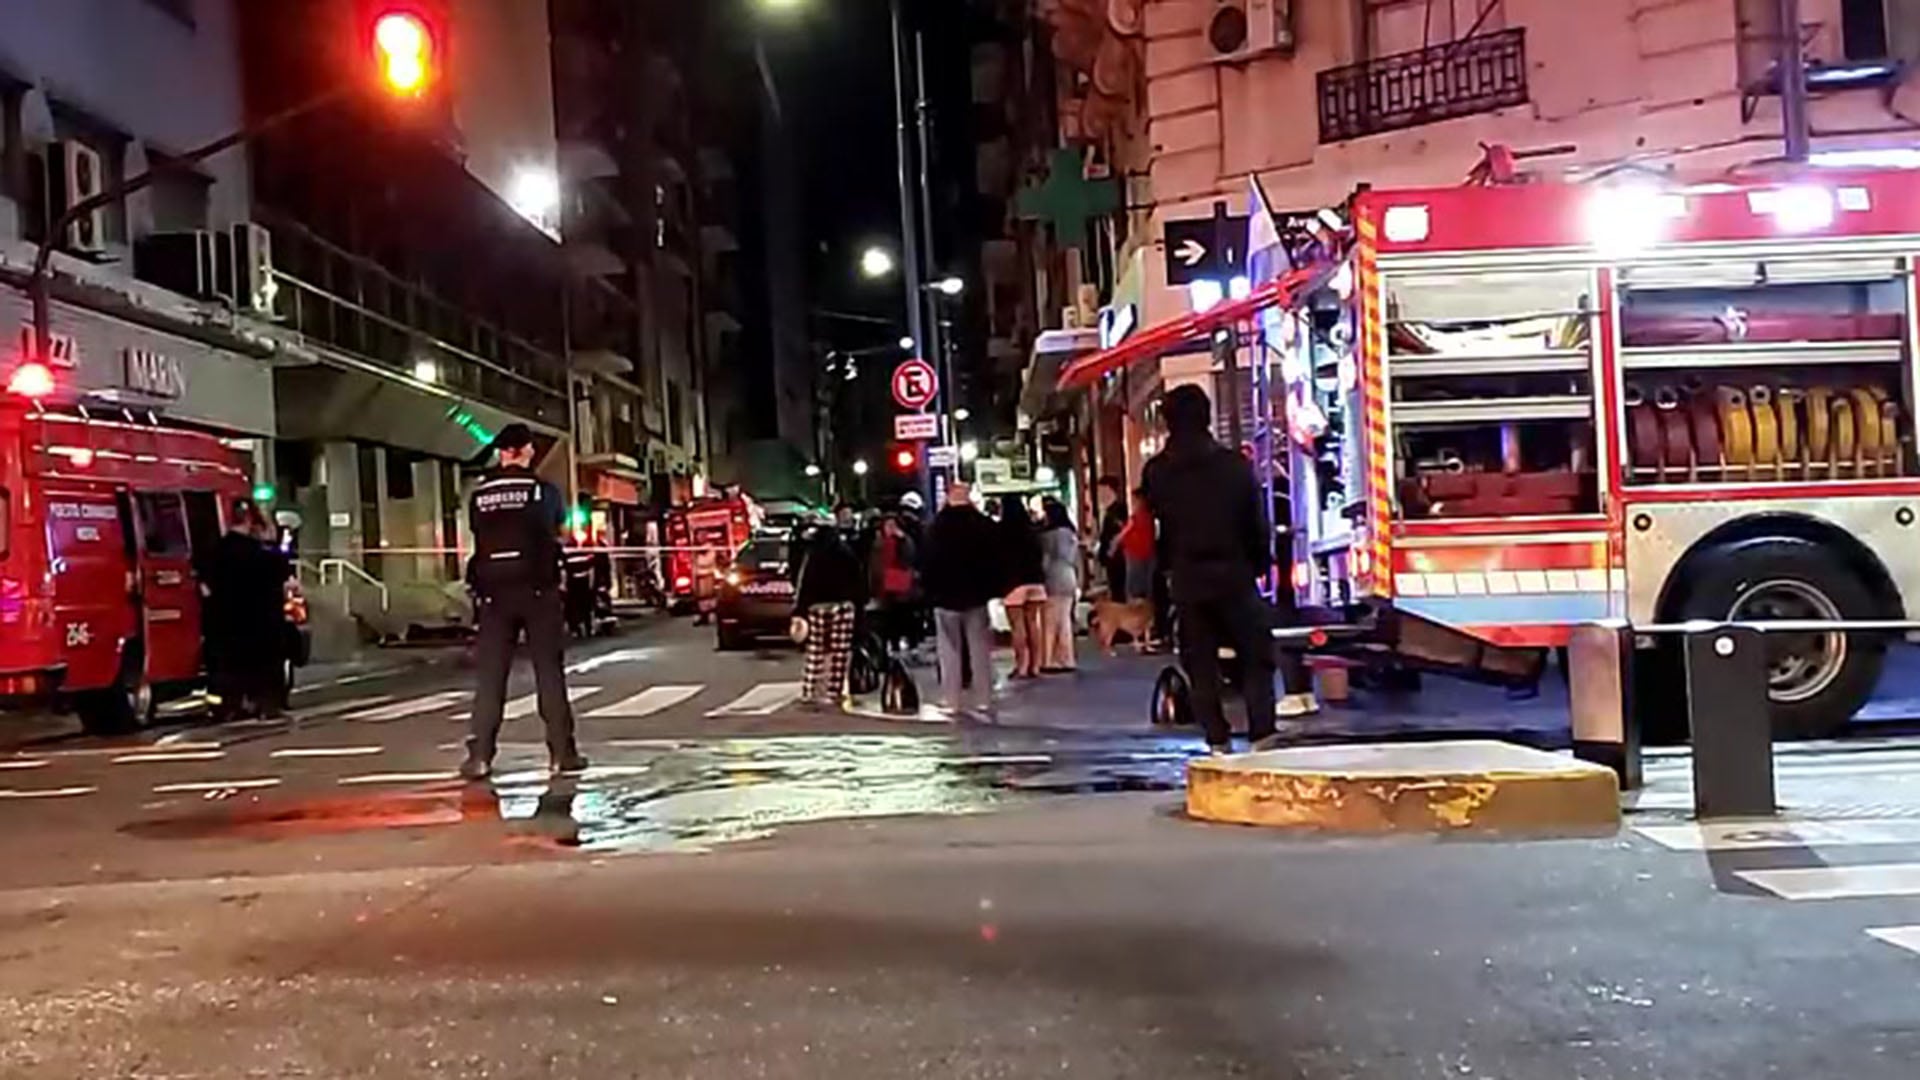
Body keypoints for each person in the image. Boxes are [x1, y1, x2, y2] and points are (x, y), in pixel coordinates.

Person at [1142, 385, 1312, 753]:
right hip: (1234, 573)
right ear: (1206, 416)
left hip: (1188, 578)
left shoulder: (1157, 472)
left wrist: (1165, 575)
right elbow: (1255, 521)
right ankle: (1261, 732)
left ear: (1168, 421)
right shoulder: (1234, 466)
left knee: (1199, 663)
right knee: (1255, 655)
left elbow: (1159, 527)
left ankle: (1217, 738)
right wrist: (1259, 563)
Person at [461, 423, 585, 781]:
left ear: (502, 453)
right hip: (537, 590)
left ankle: (480, 756)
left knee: (491, 676)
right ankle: (562, 753)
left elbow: (478, 534)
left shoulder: (480, 495)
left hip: (494, 594)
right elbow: (557, 530)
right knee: (548, 672)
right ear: (527, 451)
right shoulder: (542, 491)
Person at [920, 481, 1000, 715]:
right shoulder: (983, 525)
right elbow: (995, 558)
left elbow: (926, 562)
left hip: (945, 596)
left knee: (949, 649)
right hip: (976, 595)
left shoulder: (936, 527)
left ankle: (951, 700)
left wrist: (929, 592)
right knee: (979, 648)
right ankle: (983, 698)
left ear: (948, 498)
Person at [794, 523, 866, 709]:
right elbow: (858, 582)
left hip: (817, 607)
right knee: (839, 652)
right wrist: (859, 608)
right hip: (842, 606)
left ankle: (810, 690)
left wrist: (800, 610)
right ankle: (834, 690)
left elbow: (805, 584)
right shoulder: (846, 553)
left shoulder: (814, 555)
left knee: (815, 650)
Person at [995, 494, 1047, 680]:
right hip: (1036, 581)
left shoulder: (1002, 531)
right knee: (1033, 623)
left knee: (1018, 626)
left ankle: (1022, 665)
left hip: (1014, 582)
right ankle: (1036, 665)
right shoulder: (1033, 530)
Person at [1038, 497, 1080, 673]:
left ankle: (1048, 659)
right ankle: (1067, 658)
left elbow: (1046, 560)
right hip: (1069, 577)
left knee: (1049, 622)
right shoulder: (1071, 534)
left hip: (1053, 578)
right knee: (1064, 621)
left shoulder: (1048, 536)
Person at [868, 512, 919, 653]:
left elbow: (909, 559)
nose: (890, 528)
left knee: (903, 616)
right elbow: (874, 565)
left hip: (901, 587)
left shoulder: (904, 542)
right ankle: (892, 645)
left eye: (893, 525)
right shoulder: (878, 543)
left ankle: (908, 644)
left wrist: (903, 541)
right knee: (887, 620)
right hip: (884, 587)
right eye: (887, 525)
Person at [1095, 476, 1128, 599]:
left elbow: (1120, 533)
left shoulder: (1118, 511)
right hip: (1112, 562)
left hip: (1118, 561)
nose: (1100, 495)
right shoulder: (1108, 512)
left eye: (1102, 491)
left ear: (1109, 490)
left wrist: (1111, 550)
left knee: (1119, 593)